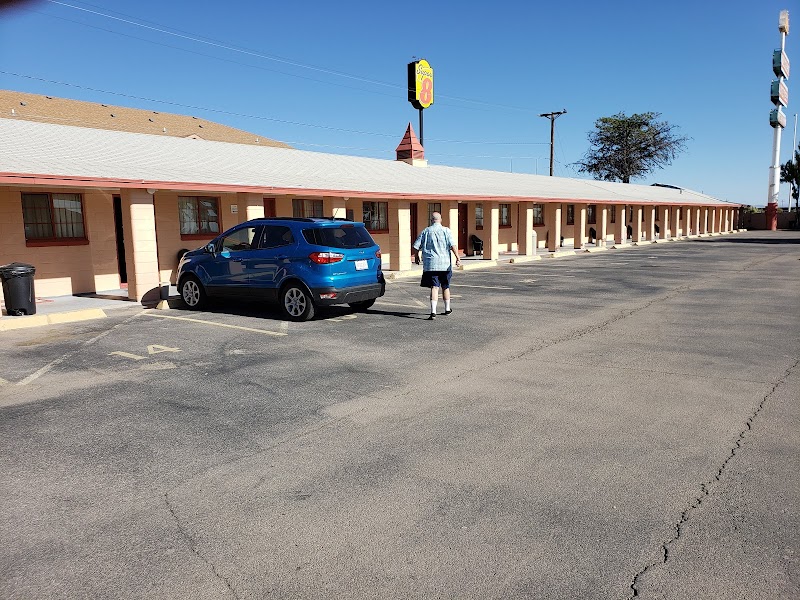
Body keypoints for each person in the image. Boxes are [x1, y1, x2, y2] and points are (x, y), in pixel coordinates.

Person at [412, 212, 461, 320]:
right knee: (445, 286)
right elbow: (453, 245)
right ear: (441, 220)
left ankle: (433, 312)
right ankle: (447, 309)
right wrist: (457, 257)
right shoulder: (446, 231)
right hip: (445, 264)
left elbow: (416, 246)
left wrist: (416, 256)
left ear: (431, 220)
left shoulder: (426, 231)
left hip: (431, 265)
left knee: (434, 287)